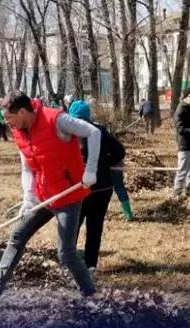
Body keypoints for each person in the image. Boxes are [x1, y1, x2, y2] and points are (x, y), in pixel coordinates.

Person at [0, 90, 99, 303]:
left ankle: (91, 295)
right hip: (43, 195)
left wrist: (90, 170)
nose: (7, 122)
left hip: (68, 195)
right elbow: (27, 168)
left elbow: (93, 132)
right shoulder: (19, 131)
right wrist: (28, 198)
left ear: (22, 112)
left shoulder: (56, 119)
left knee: (65, 252)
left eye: (9, 117)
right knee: (18, 235)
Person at [68, 101, 126, 274]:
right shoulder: (99, 130)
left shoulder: (70, 134)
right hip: (103, 187)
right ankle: (90, 264)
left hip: (80, 188)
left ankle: (70, 263)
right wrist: (105, 163)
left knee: (73, 225)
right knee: (95, 225)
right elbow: (119, 151)